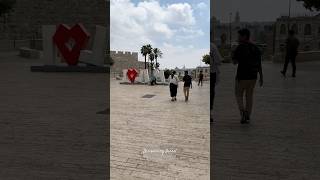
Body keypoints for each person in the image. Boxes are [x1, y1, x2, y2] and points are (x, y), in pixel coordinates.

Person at [232, 28, 263, 124]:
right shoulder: (256, 48)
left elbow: (234, 62)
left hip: (242, 76)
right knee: (249, 96)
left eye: (239, 36)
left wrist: (233, 52)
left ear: (244, 36)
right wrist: (261, 77)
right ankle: (248, 115)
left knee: (238, 95)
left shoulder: (240, 47)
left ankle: (243, 113)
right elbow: (259, 64)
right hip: (253, 77)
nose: (238, 37)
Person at [210, 43, 222, 122]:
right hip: (212, 72)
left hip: (211, 73)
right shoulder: (212, 46)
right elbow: (218, 61)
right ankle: (210, 113)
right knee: (211, 92)